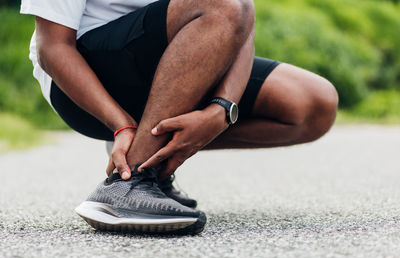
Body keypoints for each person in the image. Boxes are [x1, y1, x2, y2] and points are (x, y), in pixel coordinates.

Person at [20, 0, 338, 235]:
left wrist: (221, 110)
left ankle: (147, 160)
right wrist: (120, 124)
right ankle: (127, 185)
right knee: (223, 5)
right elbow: (53, 48)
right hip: (87, 82)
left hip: (184, 60)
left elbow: (243, 19)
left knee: (312, 104)